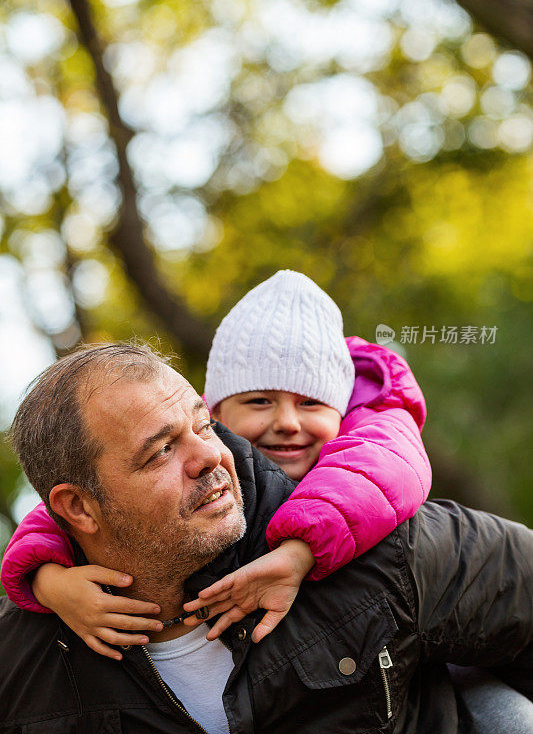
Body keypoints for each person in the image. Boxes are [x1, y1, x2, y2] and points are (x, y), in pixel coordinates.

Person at [0, 341, 531, 734]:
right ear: (77, 507)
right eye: (161, 450)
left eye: (202, 427)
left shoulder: (383, 552)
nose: (212, 457)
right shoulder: (20, 662)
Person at [2, 270, 432, 655]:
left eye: (312, 403)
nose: (287, 422)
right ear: (218, 414)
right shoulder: (192, 437)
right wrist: (48, 581)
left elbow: (375, 480)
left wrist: (300, 553)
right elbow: (71, 505)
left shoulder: (376, 431)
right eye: (260, 401)